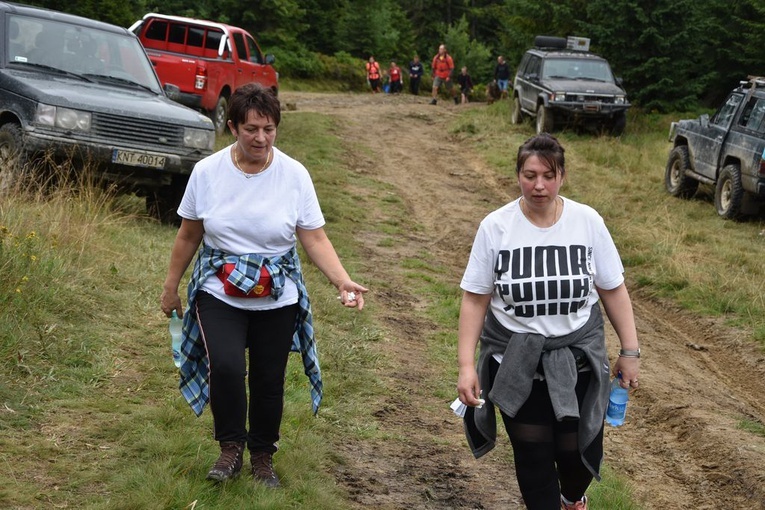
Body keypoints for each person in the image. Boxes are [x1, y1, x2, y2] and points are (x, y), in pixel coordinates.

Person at [160, 83, 368, 489]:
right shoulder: (208, 172)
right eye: (252, 129)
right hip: (218, 289)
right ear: (234, 127)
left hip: (278, 292)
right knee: (226, 366)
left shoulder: (294, 175)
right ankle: (230, 447)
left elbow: (314, 237)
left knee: (269, 380)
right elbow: (188, 236)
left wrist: (342, 280)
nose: (261, 138)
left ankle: (262, 456)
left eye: (269, 129)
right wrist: (171, 287)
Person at [456, 134, 640, 510]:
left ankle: (572, 498)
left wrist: (630, 351)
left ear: (562, 176)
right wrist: (465, 365)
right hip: (514, 362)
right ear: (518, 175)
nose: (538, 185)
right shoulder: (496, 227)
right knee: (534, 458)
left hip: (577, 362)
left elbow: (613, 289)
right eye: (529, 175)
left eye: (548, 175)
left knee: (578, 455)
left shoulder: (586, 221)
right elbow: (475, 299)